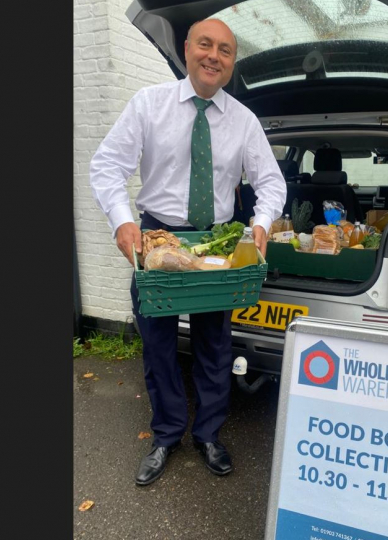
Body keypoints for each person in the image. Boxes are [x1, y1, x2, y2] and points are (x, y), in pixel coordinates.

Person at [89, 18, 286, 486]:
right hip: (157, 241)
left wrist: (260, 225)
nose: (213, 56)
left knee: (214, 347)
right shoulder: (148, 105)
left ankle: (209, 435)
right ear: (187, 49)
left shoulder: (243, 120)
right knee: (158, 347)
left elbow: (271, 182)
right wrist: (122, 222)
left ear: (232, 62)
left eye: (225, 50)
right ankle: (166, 435)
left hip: (216, 245)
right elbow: (107, 166)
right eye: (205, 45)